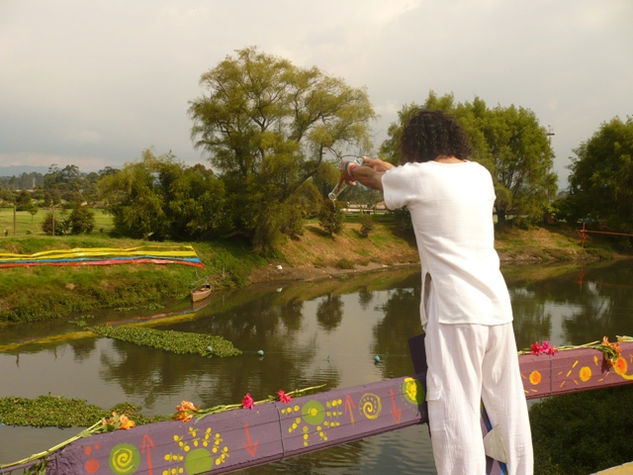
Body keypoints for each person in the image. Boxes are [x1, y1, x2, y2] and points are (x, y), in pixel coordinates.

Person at [338, 109, 533, 474]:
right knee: (509, 407)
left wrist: (350, 170)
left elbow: (379, 179)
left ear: (416, 142)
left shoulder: (417, 177)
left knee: (456, 414)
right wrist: (390, 168)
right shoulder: (479, 174)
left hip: (455, 313)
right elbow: (418, 179)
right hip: (496, 308)